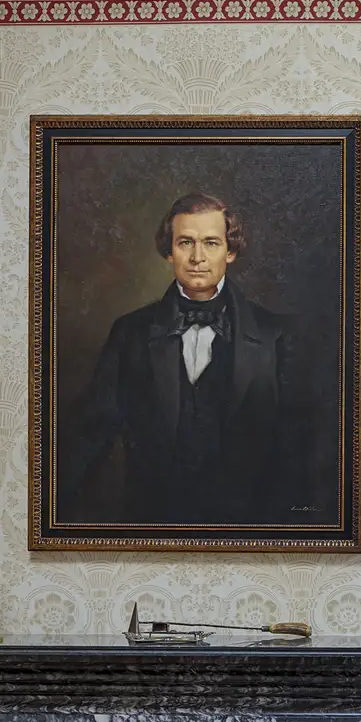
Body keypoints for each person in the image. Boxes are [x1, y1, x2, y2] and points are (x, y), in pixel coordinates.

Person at [59, 192, 321, 527]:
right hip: (152, 530)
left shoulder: (277, 336)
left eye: (211, 243)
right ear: (169, 251)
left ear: (231, 251)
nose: (198, 257)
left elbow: (300, 455)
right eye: (186, 242)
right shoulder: (131, 334)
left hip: (252, 535)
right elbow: (89, 437)